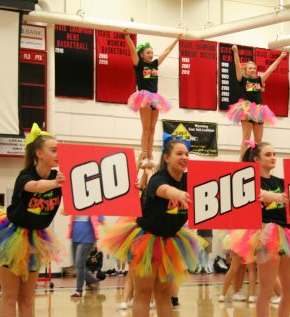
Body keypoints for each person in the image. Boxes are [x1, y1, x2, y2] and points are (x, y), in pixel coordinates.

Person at [103, 139, 206, 317]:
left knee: (164, 294)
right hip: (146, 240)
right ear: (166, 157)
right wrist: (179, 194)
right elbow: (165, 190)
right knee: (143, 293)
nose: (184, 157)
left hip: (171, 241)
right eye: (179, 154)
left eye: (186, 154)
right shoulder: (158, 178)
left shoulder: (191, 179)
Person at [0, 123, 64, 317]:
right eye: (53, 150)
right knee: (10, 297)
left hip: (37, 237)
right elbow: (35, 186)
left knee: (28, 300)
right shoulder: (26, 175)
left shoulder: (60, 177)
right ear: (38, 153)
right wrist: (54, 184)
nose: (57, 154)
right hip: (10, 236)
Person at [234, 142, 290, 317]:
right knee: (266, 291)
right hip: (266, 234)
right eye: (268, 154)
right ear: (256, 159)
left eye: (274, 154)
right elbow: (257, 193)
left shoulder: (282, 182)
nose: (273, 157)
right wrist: (277, 197)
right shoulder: (249, 181)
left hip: (288, 234)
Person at [124, 30, 181, 170]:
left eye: (152, 52)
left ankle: (149, 156)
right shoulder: (139, 65)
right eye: (148, 52)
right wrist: (127, 36)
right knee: (146, 128)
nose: (151, 54)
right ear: (142, 54)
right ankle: (143, 156)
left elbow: (166, 52)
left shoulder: (155, 64)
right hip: (144, 97)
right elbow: (132, 50)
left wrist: (176, 39)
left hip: (155, 98)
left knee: (152, 128)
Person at [227, 46, 287, 160]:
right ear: (246, 70)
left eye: (254, 68)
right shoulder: (242, 79)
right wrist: (235, 52)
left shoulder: (259, 80)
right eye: (250, 68)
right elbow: (237, 66)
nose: (253, 70)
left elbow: (271, 69)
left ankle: (257, 161)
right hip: (247, 109)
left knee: (258, 140)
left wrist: (280, 57)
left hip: (259, 110)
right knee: (246, 138)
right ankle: (242, 162)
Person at [68, 215, 105, 298]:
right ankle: (93, 280)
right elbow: (64, 212)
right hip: (74, 238)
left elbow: (102, 220)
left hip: (88, 239)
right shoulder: (75, 204)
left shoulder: (93, 205)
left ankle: (79, 291)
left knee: (79, 264)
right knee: (77, 265)